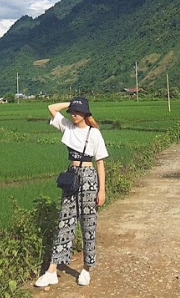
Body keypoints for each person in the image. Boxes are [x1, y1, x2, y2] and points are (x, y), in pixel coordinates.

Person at [34, 97, 109, 288]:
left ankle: (86, 268)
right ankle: (51, 271)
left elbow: (100, 162)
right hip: (71, 177)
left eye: (77, 112)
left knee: (88, 225)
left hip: (89, 179)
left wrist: (102, 190)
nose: (74, 115)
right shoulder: (68, 127)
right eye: (72, 112)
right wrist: (71, 103)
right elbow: (51, 108)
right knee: (64, 223)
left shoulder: (94, 133)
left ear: (86, 113)